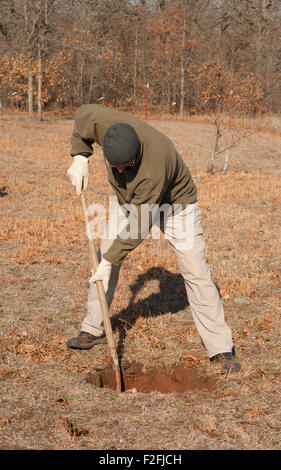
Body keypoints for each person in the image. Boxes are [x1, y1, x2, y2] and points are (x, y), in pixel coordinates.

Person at [66, 104, 241, 373]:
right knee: (104, 260)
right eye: (116, 167)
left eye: (127, 167)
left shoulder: (154, 164)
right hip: (131, 203)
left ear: (136, 156)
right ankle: (94, 329)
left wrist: (112, 256)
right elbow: (81, 119)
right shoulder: (104, 123)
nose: (121, 172)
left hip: (176, 204)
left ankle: (220, 348)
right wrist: (80, 156)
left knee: (195, 271)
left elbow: (140, 223)